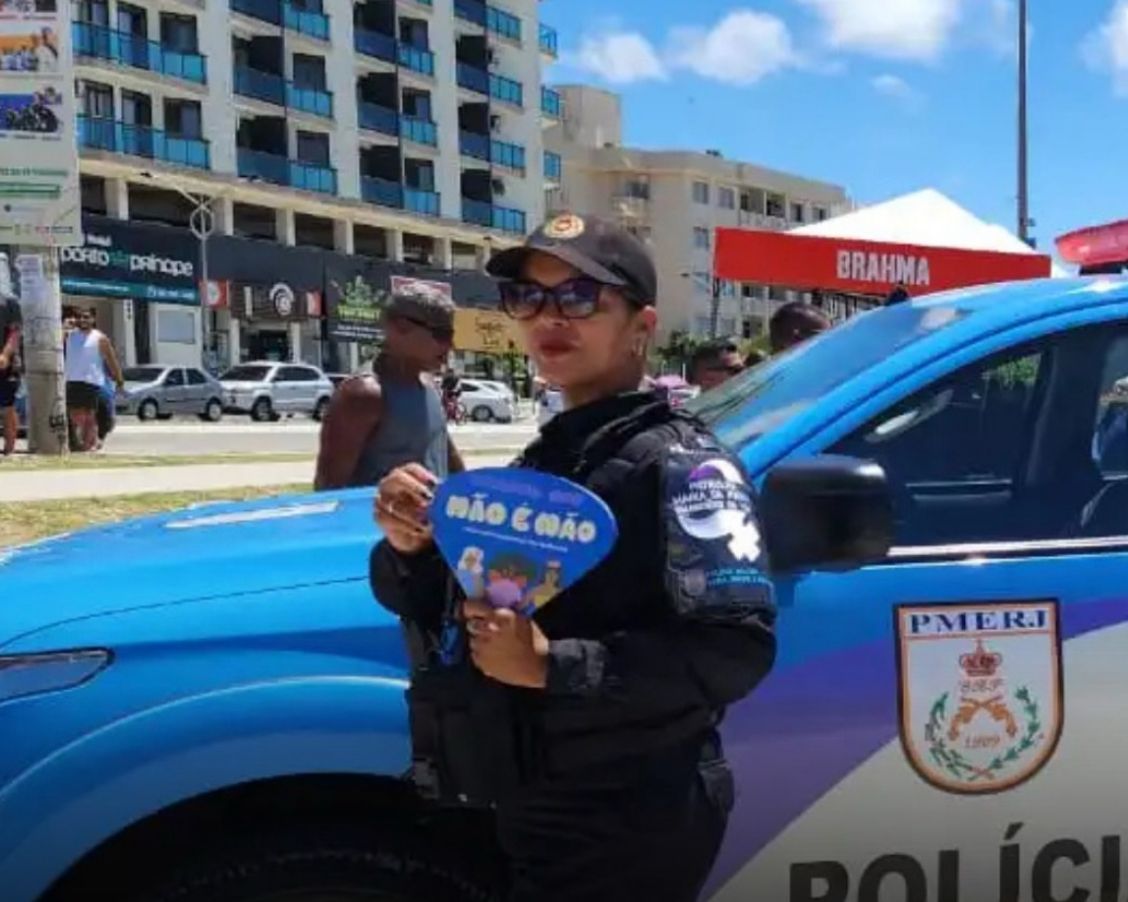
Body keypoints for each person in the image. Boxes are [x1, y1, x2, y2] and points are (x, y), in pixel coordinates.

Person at [369, 212, 777, 902]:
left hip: (629, 812)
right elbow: (474, 605)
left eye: (581, 297)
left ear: (642, 327)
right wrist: (412, 546)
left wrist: (549, 665)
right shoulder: (558, 454)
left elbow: (735, 650)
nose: (549, 317)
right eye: (527, 297)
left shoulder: (685, 464)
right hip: (537, 794)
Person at [314, 290, 466, 490]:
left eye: (451, 335)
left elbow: (446, 455)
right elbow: (329, 489)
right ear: (401, 327)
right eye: (441, 335)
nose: (450, 345)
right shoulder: (363, 395)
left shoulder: (429, 385)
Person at [64, 308, 124, 452]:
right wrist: (65, 326)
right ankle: (82, 443)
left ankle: (89, 445)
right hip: (72, 380)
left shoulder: (100, 338)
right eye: (80, 317)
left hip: (91, 381)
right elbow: (54, 340)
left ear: (93, 319)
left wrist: (119, 379)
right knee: (74, 416)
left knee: (89, 415)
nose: (82, 320)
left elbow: (111, 360)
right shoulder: (69, 335)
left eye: (86, 317)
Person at [0, 283, 22, 457]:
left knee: (7, 406)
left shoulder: (10, 302)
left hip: (7, 365)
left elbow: (15, 334)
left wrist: (5, 355)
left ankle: (9, 449)